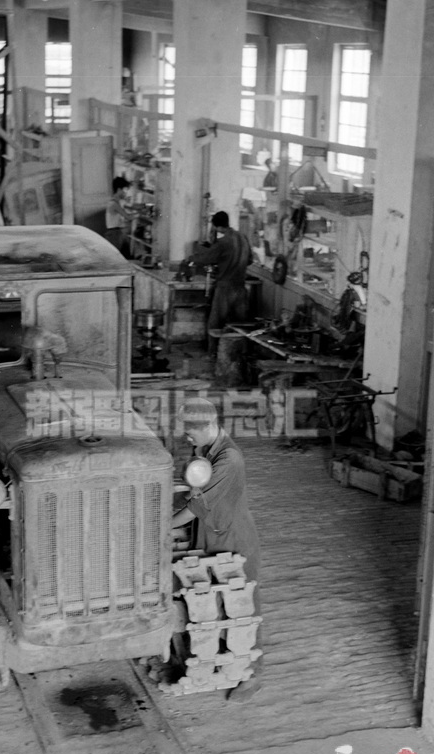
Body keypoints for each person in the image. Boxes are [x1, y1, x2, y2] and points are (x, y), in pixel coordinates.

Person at [171, 397, 262, 702]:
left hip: (233, 538)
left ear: (210, 425)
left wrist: (165, 526)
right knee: (216, 601)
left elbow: (199, 506)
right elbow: (196, 489)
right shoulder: (205, 449)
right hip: (211, 533)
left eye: (191, 434)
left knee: (244, 606)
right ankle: (222, 661)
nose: (188, 439)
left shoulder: (229, 459)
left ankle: (252, 674)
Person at [182, 211, 253, 357]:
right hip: (241, 287)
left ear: (216, 226)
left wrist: (190, 259)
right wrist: (231, 264)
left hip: (225, 288)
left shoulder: (223, 243)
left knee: (215, 323)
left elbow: (206, 258)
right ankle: (241, 355)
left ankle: (213, 353)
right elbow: (250, 260)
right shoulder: (243, 238)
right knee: (241, 324)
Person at [104, 176, 137, 258]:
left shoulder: (118, 202)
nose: (126, 192)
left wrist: (142, 207)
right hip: (114, 234)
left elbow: (131, 206)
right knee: (117, 257)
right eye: (125, 190)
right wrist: (140, 214)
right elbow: (128, 217)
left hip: (118, 233)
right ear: (119, 190)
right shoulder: (114, 204)